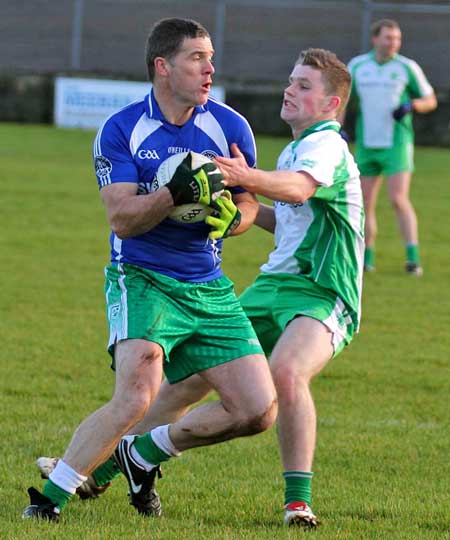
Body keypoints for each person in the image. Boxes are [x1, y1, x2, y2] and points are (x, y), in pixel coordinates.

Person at [38, 47, 364, 529]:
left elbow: (296, 190)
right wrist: (238, 213)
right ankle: (108, 465)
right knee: (186, 383)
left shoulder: (326, 147)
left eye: (303, 85)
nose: (288, 90)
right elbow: (292, 217)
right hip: (277, 281)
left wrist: (238, 177)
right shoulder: (298, 147)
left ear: (331, 104)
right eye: (291, 81)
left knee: (287, 374)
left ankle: (297, 501)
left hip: (323, 287)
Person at [22, 17, 277, 522]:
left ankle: (140, 456)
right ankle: (48, 503)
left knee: (257, 411)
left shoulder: (229, 126)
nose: (209, 69)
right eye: (196, 58)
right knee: (137, 396)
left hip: (207, 286)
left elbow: (248, 204)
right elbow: (122, 218)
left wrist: (233, 220)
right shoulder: (121, 131)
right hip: (141, 278)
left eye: (211, 58)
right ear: (163, 67)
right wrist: (172, 194)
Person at [344, 18, 437, 275]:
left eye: (397, 38)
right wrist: (338, 128)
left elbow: (430, 99)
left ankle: (412, 258)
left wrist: (412, 106)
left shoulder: (407, 67)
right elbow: (342, 101)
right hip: (367, 143)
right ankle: (367, 259)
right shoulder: (358, 66)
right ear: (375, 39)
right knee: (365, 203)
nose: (393, 42)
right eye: (388, 37)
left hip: (397, 144)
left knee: (398, 199)